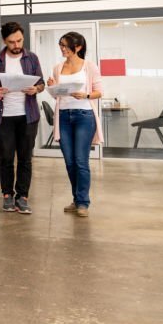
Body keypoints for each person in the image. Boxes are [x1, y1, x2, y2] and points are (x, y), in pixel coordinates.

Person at [0, 21, 45, 214]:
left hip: (28, 116)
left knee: (25, 159)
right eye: (12, 42)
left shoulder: (31, 58)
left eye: (19, 40)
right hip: (5, 117)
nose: (17, 45)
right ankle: (7, 195)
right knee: (7, 158)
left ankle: (23, 197)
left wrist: (36, 88)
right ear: (4, 40)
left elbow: (41, 83)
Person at [47, 31, 103, 218]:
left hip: (84, 116)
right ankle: (76, 199)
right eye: (60, 45)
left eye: (65, 45)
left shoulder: (89, 66)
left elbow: (99, 92)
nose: (62, 48)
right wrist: (52, 86)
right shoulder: (57, 68)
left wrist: (85, 95)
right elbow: (56, 96)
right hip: (63, 116)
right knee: (70, 162)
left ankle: (83, 202)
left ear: (77, 47)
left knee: (80, 161)